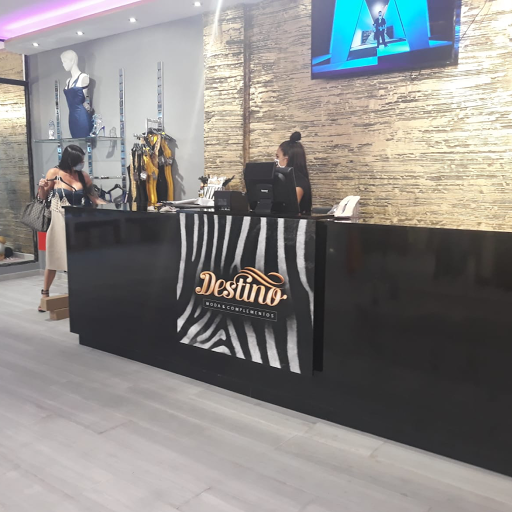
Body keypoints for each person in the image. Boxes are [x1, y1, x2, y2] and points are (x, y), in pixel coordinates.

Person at [36, 145, 101, 311]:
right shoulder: (54, 173)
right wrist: (41, 186)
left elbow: (94, 198)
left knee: (80, 259)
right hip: (58, 221)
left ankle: (81, 294)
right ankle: (45, 294)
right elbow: (42, 197)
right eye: (80, 160)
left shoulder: (83, 176)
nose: (82, 163)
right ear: (70, 160)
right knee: (53, 257)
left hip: (79, 222)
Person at [275, 132, 312, 215]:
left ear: (286, 160)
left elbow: (288, 210)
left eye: (277, 157)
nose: (275, 160)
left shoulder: (298, 184)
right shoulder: (285, 180)